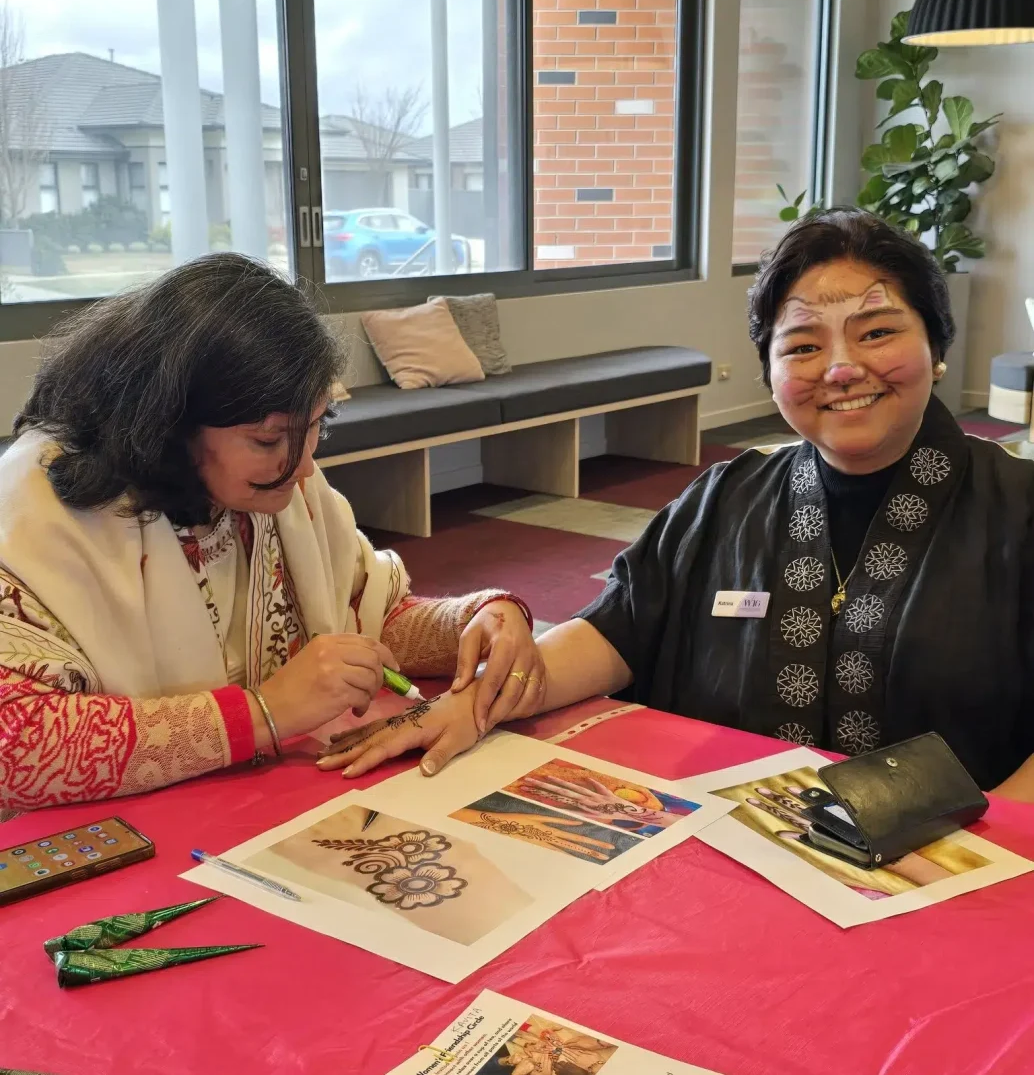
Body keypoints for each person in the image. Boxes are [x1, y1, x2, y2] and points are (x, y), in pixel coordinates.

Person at [320, 208, 1034, 802]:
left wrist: (998, 845)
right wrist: (474, 704)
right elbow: (618, 631)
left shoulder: (1020, 513)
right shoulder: (725, 499)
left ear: (937, 344)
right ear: (772, 371)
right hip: (733, 853)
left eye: (877, 333)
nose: (842, 369)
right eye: (804, 346)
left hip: (950, 873)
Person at [0, 254, 543, 812]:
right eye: (267, 440)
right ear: (167, 421)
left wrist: (476, 620)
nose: (303, 468)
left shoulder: (274, 487)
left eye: (316, 429)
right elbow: (13, 746)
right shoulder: (44, 510)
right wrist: (264, 712)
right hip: (96, 842)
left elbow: (366, 620)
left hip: (240, 808)